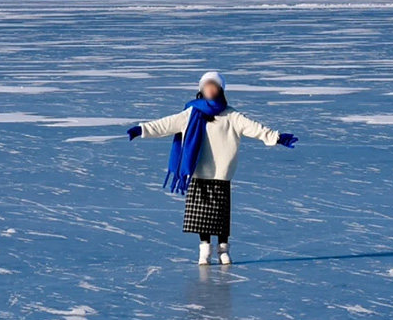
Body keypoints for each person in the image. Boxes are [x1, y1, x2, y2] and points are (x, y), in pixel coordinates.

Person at [127, 70, 298, 265]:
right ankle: (204, 251)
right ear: (201, 89)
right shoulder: (192, 113)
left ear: (220, 90)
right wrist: (142, 129)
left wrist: (277, 137)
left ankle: (223, 250)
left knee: (221, 217)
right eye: (207, 85)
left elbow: (255, 128)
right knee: (202, 218)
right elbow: (166, 124)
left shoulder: (232, 115)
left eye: (213, 86)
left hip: (221, 174)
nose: (210, 89)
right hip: (199, 173)